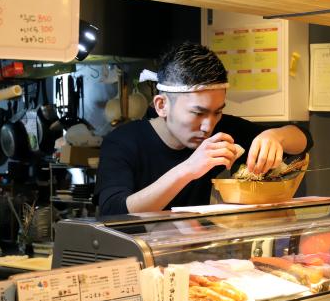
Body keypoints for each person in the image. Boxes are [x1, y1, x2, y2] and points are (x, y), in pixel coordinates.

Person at [95, 42, 313, 215]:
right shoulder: (123, 141)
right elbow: (115, 211)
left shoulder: (222, 129)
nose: (209, 125)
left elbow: (304, 140)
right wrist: (188, 169)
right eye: (198, 113)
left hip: (194, 256)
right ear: (162, 105)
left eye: (217, 111)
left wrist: (276, 136)